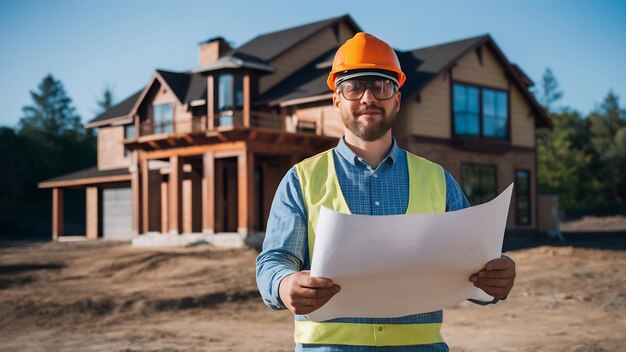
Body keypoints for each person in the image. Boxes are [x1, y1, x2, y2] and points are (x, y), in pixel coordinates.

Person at [256, 32, 516, 351]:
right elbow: (275, 260)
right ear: (336, 100)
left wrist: (496, 282)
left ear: (397, 98)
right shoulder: (301, 179)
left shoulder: (438, 180)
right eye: (354, 87)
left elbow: (475, 266)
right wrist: (284, 285)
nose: (368, 98)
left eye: (380, 85)